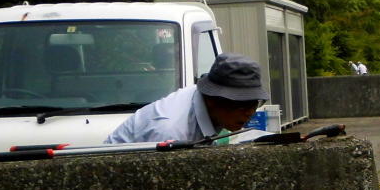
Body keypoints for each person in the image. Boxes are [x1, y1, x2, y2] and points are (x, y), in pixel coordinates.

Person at [106, 52, 268, 144]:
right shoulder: (173, 132)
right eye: (241, 104)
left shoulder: (204, 102)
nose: (249, 113)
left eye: (253, 103)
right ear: (212, 99)